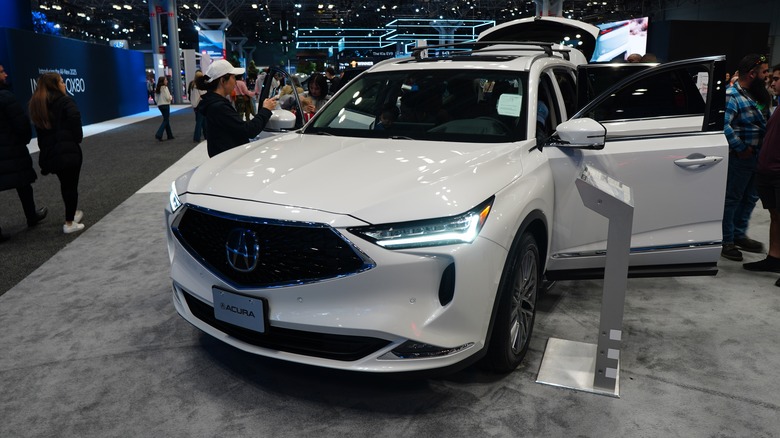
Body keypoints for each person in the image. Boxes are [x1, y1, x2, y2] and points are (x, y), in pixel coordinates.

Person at [721, 54, 770, 261]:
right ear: (752, 74)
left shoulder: (758, 95)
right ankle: (727, 240)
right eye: (764, 72)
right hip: (741, 157)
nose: (767, 76)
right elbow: (724, 125)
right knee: (733, 198)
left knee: (751, 198)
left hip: (759, 156)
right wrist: (740, 147)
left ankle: (739, 234)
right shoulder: (732, 95)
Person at [28, 72, 85, 234]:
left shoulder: (38, 105)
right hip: (69, 151)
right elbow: (75, 119)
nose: (64, 84)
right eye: (61, 81)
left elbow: (41, 133)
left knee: (65, 184)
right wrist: (76, 138)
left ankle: (72, 213)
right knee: (71, 186)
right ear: (55, 85)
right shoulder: (66, 101)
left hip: (52, 153)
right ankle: (69, 222)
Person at [0, 63, 47, 242]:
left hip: (10, 147)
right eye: (2, 72)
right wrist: (23, 140)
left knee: (23, 184)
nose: (5, 75)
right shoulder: (5, 97)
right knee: (23, 184)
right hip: (11, 149)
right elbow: (21, 123)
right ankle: (31, 216)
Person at [195, 59, 277, 158]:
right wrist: (266, 110)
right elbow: (249, 130)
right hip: (228, 160)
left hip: (224, 158)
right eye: (233, 77)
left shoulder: (214, 103)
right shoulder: (219, 107)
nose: (235, 82)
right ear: (222, 81)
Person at [744, 65, 780, 276]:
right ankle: (775, 258)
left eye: (776, 79)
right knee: (775, 216)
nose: (771, 82)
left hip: (777, 171)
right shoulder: (776, 106)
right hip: (768, 171)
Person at [154, 76, 174, 141]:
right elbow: (168, 97)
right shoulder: (165, 88)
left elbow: (156, 99)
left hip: (160, 105)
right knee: (166, 120)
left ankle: (170, 135)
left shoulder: (157, 88)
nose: (167, 81)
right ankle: (159, 134)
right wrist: (171, 97)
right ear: (163, 81)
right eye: (165, 80)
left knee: (166, 120)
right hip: (165, 104)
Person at [190, 70, 206, 143]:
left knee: (203, 121)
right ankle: (196, 137)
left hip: (196, 105)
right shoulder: (200, 85)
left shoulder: (193, 84)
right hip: (201, 104)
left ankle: (206, 135)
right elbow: (204, 94)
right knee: (200, 121)